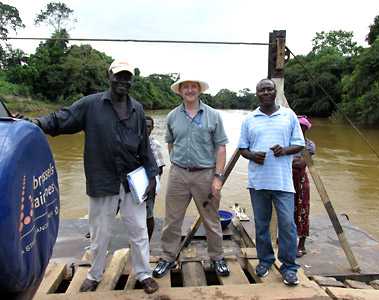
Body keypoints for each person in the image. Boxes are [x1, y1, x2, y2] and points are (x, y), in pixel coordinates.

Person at [22, 60, 160, 294]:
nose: (123, 81)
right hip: (102, 180)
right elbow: (62, 118)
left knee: (138, 231)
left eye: (127, 77)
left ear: (131, 81)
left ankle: (144, 273)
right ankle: (95, 274)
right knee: (99, 233)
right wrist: (37, 123)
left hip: (132, 182)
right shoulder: (91, 104)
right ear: (109, 76)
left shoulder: (137, 108)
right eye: (119, 76)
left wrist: (152, 175)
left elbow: (144, 146)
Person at [153, 77, 230, 278]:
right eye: (185, 87)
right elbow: (170, 144)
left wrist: (218, 177)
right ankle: (168, 257)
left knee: (211, 220)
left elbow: (221, 148)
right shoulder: (172, 116)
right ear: (179, 91)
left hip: (205, 174)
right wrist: (177, 165)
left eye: (193, 86)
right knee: (172, 220)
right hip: (178, 174)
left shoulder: (213, 115)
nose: (189, 90)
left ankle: (217, 257)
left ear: (199, 90)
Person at [238, 78, 305, 286]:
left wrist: (285, 150)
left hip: (283, 182)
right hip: (258, 182)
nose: (265, 92)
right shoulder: (250, 119)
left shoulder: (288, 115)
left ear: (275, 92)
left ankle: (289, 267)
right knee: (261, 225)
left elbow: (299, 144)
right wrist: (252, 156)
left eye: (269, 89)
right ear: (257, 94)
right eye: (261, 90)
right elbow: (242, 148)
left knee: (287, 225)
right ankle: (265, 261)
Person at [292, 116, 315, 258]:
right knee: (286, 210)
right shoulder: (288, 143)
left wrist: (291, 161)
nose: (299, 130)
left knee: (303, 211)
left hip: (301, 181)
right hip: (287, 181)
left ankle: (301, 244)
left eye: (302, 127)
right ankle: (284, 241)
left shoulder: (309, 145)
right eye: (297, 127)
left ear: (306, 129)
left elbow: (301, 163)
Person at [145, 115, 165, 240]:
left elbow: (160, 169)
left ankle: (146, 242)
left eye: (149, 126)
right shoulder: (131, 141)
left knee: (148, 215)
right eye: (144, 126)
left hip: (149, 184)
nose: (146, 129)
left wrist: (154, 186)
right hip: (131, 185)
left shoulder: (154, 144)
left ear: (152, 128)